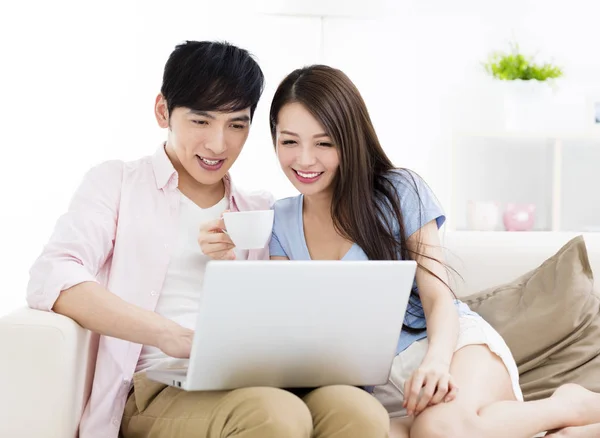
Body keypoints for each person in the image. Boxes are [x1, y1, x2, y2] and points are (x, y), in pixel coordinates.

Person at [201, 64, 600, 438]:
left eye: (324, 143)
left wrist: (437, 363)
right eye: (290, 142)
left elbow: (437, 296)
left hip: (448, 346)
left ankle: (565, 407)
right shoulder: (280, 221)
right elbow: (288, 327)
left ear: (351, 139)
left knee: (437, 430)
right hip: (369, 383)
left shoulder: (398, 191)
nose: (304, 159)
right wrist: (232, 263)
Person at [26, 41, 387, 438]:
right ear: (163, 111)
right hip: (158, 386)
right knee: (273, 414)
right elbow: (53, 274)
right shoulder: (118, 184)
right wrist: (169, 334)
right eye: (201, 121)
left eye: (236, 124)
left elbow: (287, 312)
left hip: (252, 380)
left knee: (358, 410)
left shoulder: (259, 210)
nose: (219, 144)